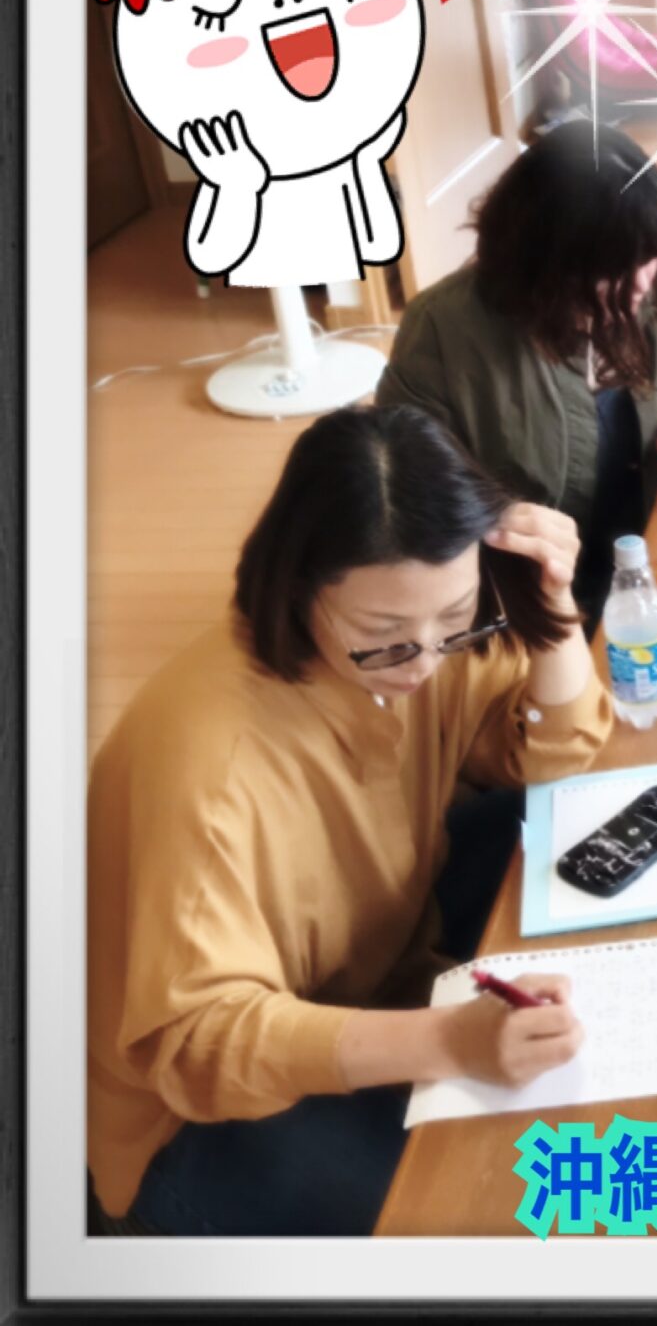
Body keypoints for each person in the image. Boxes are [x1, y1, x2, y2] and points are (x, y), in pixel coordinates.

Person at [88, 405, 616, 1236]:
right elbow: (200, 1041)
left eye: (457, 618)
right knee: (480, 1206)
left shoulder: (418, 636)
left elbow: (550, 750)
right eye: (383, 635)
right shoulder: (210, 766)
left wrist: (547, 603)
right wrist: (449, 1041)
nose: (425, 661)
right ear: (298, 587)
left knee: (551, 822)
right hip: (199, 1117)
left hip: (378, 962)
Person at [377, 120, 657, 630]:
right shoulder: (443, 331)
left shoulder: (656, 284)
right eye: (612, 278)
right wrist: (489, 517)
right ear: (540, 268)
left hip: (655, 559)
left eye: (648, 262)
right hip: (526, 602)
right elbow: (399, 479)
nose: (640, 291)